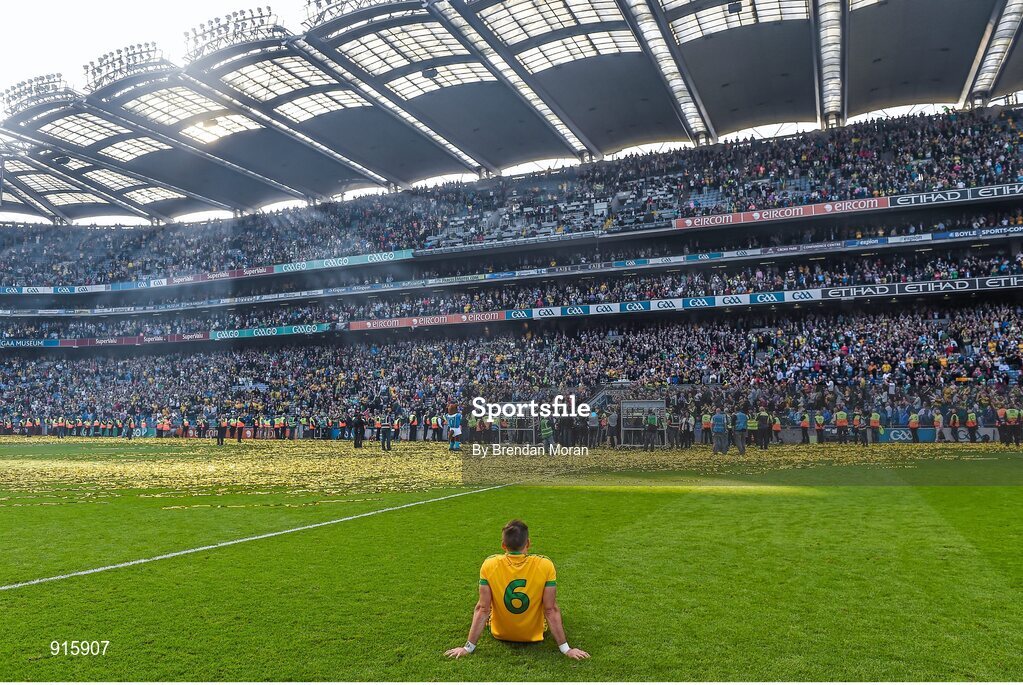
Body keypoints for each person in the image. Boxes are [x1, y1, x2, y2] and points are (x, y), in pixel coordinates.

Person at [445, 520, 589, 661]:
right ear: (528, 543)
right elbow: (550, 610)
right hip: (535, 635)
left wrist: (467, 648)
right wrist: (566, 649)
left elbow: (483, 608)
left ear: (503, 545)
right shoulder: (545, 565)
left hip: (499, 633)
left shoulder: (489, 564)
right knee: (551, 608)